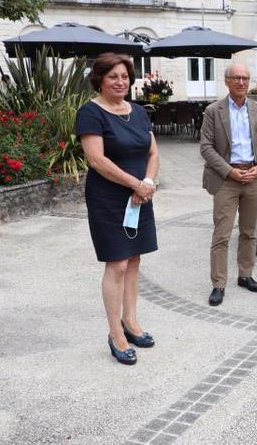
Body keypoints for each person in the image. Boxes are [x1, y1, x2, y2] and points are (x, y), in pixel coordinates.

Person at [75, 53, 159, 365]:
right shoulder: (90, 113)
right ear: (100, 79)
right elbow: (97, 160)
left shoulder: (137, 112)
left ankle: (131, 321)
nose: (120, 82)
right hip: (109, 198)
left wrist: (147, 182)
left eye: (124, 76)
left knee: (135, 260)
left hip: (141, 194)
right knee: (118, 264)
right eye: (113, 77)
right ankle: (115, 333)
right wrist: (135, 185)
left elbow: (153, 151)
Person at [200, 63, 257, 306]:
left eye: (245, 78)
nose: (241, 82)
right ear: (227, 81)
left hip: (252, 176)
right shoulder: (213, 110)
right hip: (225, 179)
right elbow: (206, 147)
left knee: (249, 232)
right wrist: (229, 171)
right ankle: (218, 283)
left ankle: (245, 275)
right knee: (222, 234)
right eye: (236, 78)